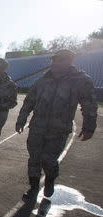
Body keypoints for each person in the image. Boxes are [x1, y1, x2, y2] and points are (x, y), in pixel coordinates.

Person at [16, 49, 97, 198]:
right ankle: (33, 187)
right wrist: (21, 119)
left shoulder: (80, 80)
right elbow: (29, 102)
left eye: (61, 60)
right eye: (54, 60)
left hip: (58, 130)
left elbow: (89, 104)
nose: (56, 63)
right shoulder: (42, 81)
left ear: (70, 62)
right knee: (34, 158)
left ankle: (50, 179)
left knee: (49, 160)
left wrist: (89, 126)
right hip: (37, 128)